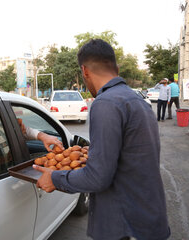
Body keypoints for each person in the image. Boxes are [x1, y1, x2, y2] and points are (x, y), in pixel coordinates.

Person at [33, 39, 170, 240]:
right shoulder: (138, 101)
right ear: (117, 67)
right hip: (149, 219)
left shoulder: (106, 103)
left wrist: (55, 178)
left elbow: (98, 177)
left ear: (85, 71)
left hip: (125, 228)